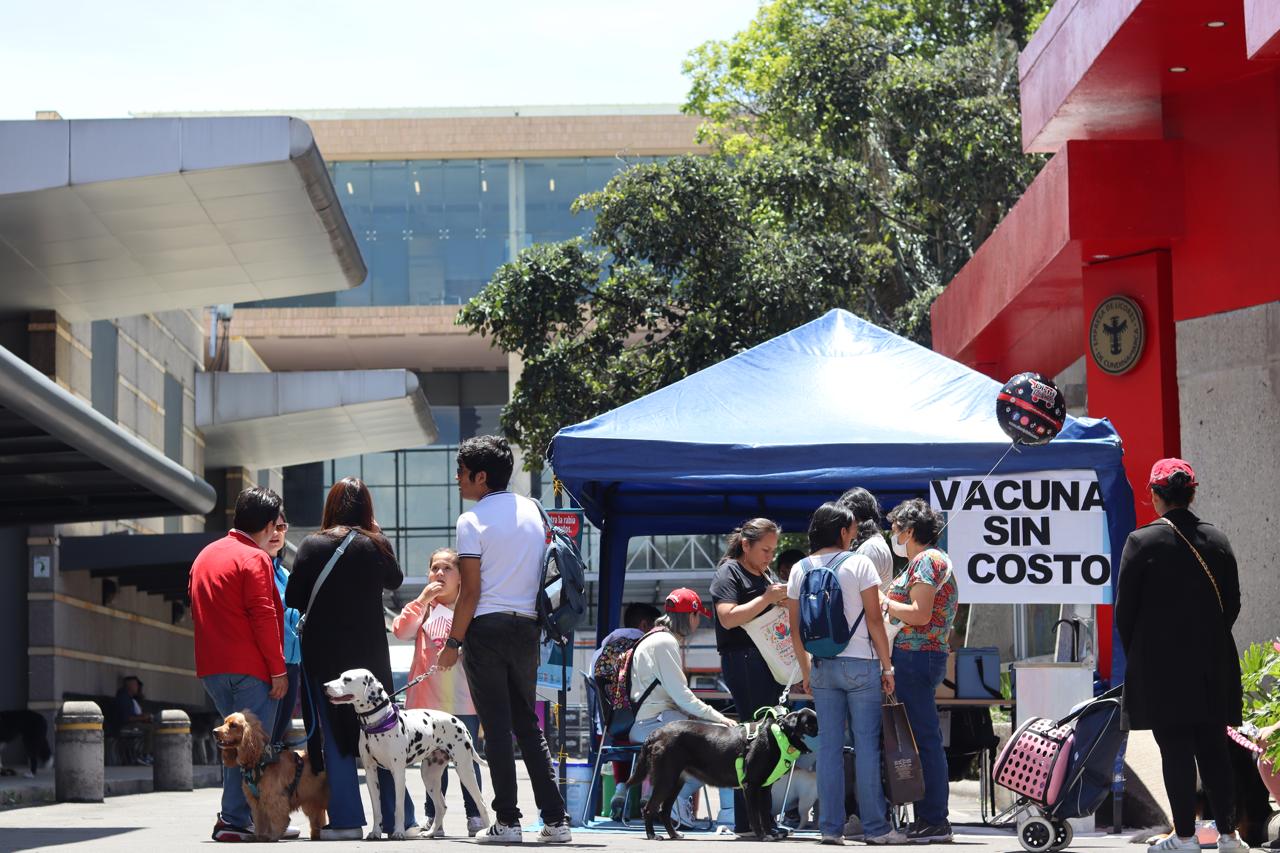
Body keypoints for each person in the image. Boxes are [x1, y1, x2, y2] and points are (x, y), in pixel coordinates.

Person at [435, 435, 571, 844]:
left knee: (495, 728)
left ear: (480, 477)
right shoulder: (533, 510)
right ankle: (556, 821)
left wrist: (453, 644)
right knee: (528, 726)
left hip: (487, 629)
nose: (457, 479)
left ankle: (508, 822)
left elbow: (470, 593)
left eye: (461, 472)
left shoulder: (471, 520)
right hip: (527, 627)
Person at [1115, 458, 1247, 853]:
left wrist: (1144, 653)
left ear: (1154, 495)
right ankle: (1228, 836)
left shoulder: (1141, 542)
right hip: (1214, 663)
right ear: (1191, 494)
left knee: (1175, 750)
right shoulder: (1218, 540)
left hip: (1163, 668)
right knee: (1214, 748)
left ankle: (1185, 837)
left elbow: (1125, 613)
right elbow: (1232, 605)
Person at [286, 477, 413, 841]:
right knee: (383, 732)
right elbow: (395, 580)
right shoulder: (375, 545)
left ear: (331, 507)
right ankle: (399, 820)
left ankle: (347, 821)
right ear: (367, 510)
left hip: (325, 656)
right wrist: (378, 535)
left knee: (336, 738)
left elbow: (293, 599)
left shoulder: (312, 545)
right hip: (370, 659)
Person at [787, 503, 901, 846]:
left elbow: (795, 630)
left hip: (822, 666)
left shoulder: (799, 569)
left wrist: (806, 670)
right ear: (841, 531)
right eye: (852, 528)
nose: (855, 533)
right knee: (866, 747)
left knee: (828, 749)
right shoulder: (859, 564)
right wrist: (887, 666)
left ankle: (830, 828)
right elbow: (875, 621)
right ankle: (876, 829)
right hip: (861, 665)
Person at [190, 486, 289, 843]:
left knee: (236, 744)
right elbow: (263, 616)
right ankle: (236, 818)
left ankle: (243, 818)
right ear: (268, 525)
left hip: (212, 669)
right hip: (251, 668)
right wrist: (278, 670)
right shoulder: (254, 558)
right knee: (252, 749)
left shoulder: (206, 555)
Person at [391, 547, 486, 838]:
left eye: (447, 568)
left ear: (461, 577)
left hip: (464, 702)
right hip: (425, 704)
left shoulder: (471, 606)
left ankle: (475, 816)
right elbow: (401, 631)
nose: (440, 574)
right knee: (431, 763)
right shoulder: (424, 608)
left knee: (466, 761)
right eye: (435, 568)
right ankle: (433, 817)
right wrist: (421, 600)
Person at [882, 498, 957, 844]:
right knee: (923, 738)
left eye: (895, 528)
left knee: (925, 740)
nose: (893, 535)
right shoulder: (934, 560)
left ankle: (934, 819)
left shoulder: (926, 561)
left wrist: (884, 602)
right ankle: (930, 817)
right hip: (924, 656)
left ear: (909, 531)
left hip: (916, 656)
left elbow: (920, 613)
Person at [629, 589, 734, 829]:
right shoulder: (665, 642)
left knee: (710, 742)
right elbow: (682, 696)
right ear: (690, 615)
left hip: (651, 721)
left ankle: (673, 797)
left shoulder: (654, 637)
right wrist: (720, 718)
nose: (698, 623)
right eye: (697, 617)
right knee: (724, 740)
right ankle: (724, 813)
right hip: (655, 723)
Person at [709, 517, 786, 837]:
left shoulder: (764, 574)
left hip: (769, 661)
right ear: (746, 545)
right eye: (765, 550)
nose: (770, 556)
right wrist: (767, 598)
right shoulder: (729, 572)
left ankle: (762, 820)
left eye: (773, 550)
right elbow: (727, 618)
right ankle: (752, 821)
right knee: (755, 742)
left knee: (768, 742)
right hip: (743, 660)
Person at [591, 602, 662, 821]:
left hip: (609, 731)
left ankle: (620, 787)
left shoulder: (601, 651)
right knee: (667, 727)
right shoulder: (648, 649)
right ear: (645, 625)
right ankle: (649, 790)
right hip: (641, 728)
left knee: (624, 730)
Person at [266, 510, 302, 746]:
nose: (276, 533)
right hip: (270, 666)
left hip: (291, 665)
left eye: (281, 527)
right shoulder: (257, 569)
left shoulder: (284, 572)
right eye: (270, 527)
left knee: (277, 738)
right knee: (264, 738)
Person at [839, 487, 892, 587]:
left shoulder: (870, 547)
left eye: (845, 517)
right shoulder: (871, 544)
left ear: (855, 516)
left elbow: (865, 592)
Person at [112, 675, 153, 766]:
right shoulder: (123, 698)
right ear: (130, 685)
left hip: (130, 724)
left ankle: (147, 754)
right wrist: (143, 718)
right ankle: (145, 755)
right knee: (150, 729)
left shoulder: (130, 698)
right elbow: (127, 718)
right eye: (135, 685)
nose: (137, 688)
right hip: (123, 726)